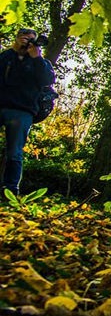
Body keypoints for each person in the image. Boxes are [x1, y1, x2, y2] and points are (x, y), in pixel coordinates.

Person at [0, 28, 55, 195]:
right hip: (1, 106)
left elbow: (47, 80)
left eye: (31, 39)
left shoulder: (40, 62)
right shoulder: (5, 57)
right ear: (16, 39)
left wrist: (36, 57)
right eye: (23, 37)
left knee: (14, 152)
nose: (27, 41)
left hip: (22, 111)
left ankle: (10, 190)